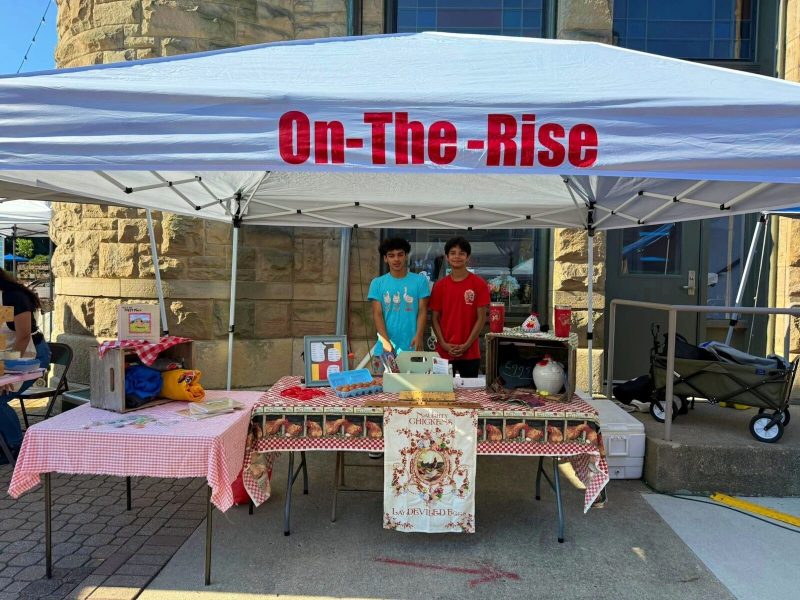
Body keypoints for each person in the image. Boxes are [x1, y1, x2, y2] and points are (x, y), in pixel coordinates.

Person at [0, 269, 50, 462]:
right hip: (5, 357)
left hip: (29, 356)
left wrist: (6, 375)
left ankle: (17, 447)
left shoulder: (14, 297)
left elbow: (22, 337)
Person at [429, 237, 490, 378]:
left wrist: (466, 344)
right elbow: (435, 319)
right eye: (453, 253)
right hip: (443, 353)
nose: (457, 256)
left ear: (468, 257)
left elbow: (481, 319)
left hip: (470, 352)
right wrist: (443, 344)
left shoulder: (479, 284)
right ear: (447, 257)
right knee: (442, 394)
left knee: (470, 396)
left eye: (461, 253)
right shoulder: (439, 286)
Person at [367, 238, 430, 358]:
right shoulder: (377, 283)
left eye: (400, 255)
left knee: (414, 378)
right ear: (385, 258)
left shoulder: (420, 281)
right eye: (391, 255)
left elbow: (422, 311)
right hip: (385, 348)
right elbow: (377, 314)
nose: (396, 259)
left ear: (406, 256)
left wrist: (419, 335)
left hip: (412, 346)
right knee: (382, 378)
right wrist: (386, 342)